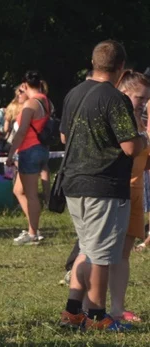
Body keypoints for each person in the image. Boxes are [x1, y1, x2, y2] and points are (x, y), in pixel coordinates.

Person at [59, 41, 143, 331]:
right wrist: (142, 139)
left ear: (93, 63)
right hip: (104, 185)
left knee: (86, 248)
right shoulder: (115, 98)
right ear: (121, 68)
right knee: (101, 256)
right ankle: (97, 317)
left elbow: (63, 137)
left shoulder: (74, 93)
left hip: (74, 183)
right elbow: (130, 147)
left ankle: (73, 310)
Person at [107, 71, 150, 322]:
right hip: (116, 193)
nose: (144, 103)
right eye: (139, 98)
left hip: (135, 194)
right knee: (104, 253)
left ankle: (117, 308)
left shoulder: (138, 120)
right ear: (124, 93)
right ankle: (88, 307)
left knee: (123, 254)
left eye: (146, 99)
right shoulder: (116, 117)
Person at [6, 71, 52, 245]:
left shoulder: (30, 104)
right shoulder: (45, 101)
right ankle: (33, 227)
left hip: (29, 149)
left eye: (20, 90)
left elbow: (21, 131)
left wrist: (11, 153)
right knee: (18, 190)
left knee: (31, 195)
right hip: (41, 148)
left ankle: (33, 233)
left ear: (25, 86)